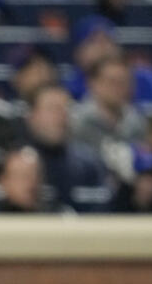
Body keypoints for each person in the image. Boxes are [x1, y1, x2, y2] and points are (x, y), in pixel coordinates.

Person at [14, 82, 108, 211]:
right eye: (52, 109)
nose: (61, 116)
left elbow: (101, 212)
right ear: (31, 115)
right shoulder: (15, 163)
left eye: (66, 109)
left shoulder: (88, 164)